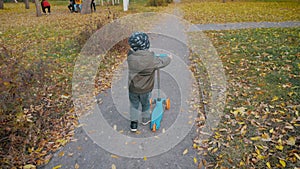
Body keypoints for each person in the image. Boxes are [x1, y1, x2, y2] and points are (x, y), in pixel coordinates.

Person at [127, 32, 171, 132]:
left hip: (132, 88)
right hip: (146, 89)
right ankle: (145, 119)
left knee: (134, 105)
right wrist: (169, 58)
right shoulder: (151, 59)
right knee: (145, 104)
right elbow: (161, 62)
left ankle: (133, 124)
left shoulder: (130, 56)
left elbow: (134, 52)